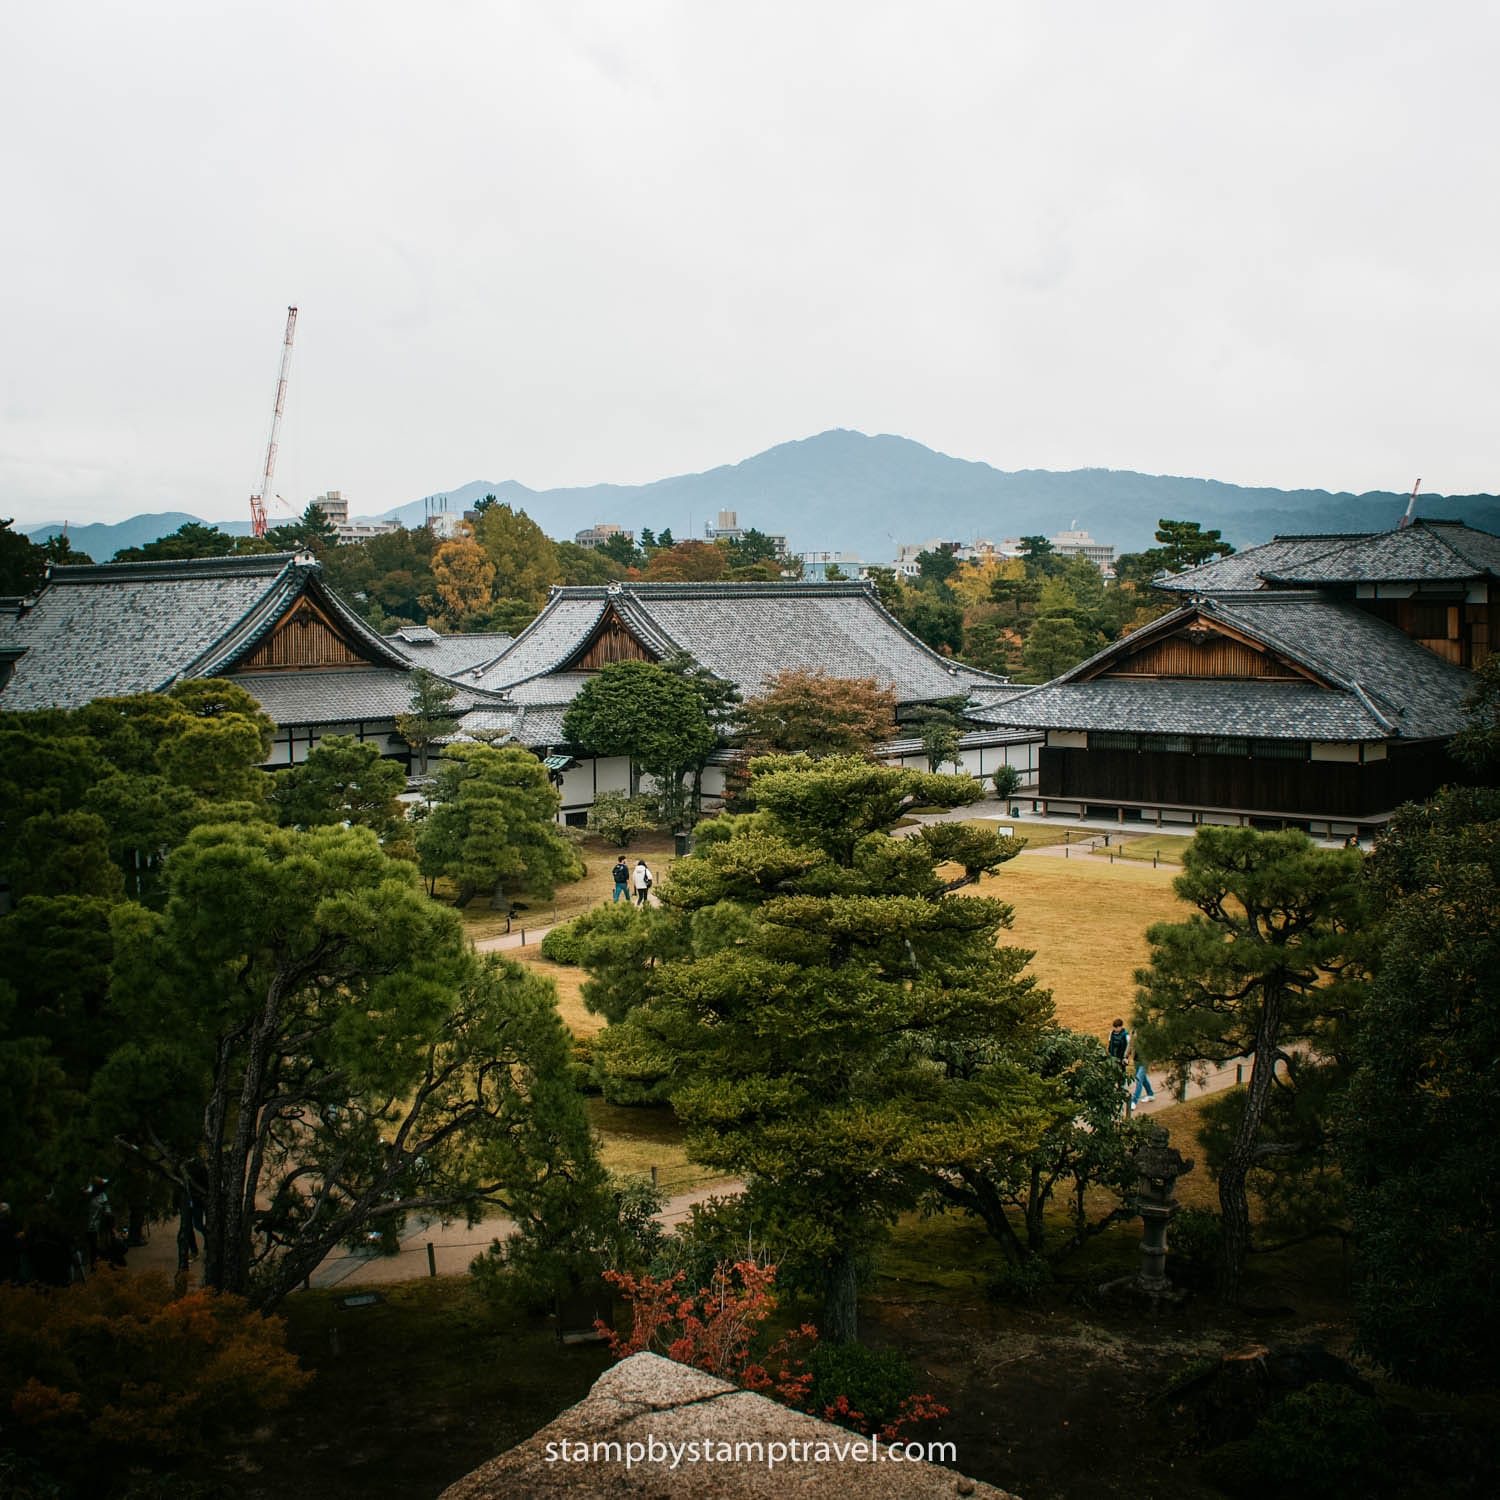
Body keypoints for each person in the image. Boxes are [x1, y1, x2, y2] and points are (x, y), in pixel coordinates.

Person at [1129, 1041, 1155, 1108]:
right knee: (1143, 1079)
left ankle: (1134, 1101)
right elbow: (1132, 1046)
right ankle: (1150, 1094)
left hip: (1145, 1061)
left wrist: (1153, 1063)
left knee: (1139, 1079)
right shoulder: (1136, 1036)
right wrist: (1126, 1057)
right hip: (1137, 1060)